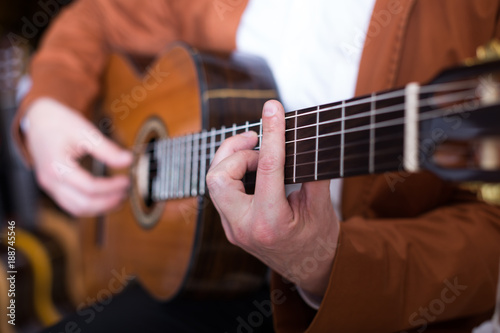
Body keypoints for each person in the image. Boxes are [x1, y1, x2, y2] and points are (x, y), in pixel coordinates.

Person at [12, 0, 500, 332]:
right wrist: (45, 108)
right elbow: (101, 16)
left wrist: (323, 261)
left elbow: (485, 249)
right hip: (173, 252)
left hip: (291, 300)